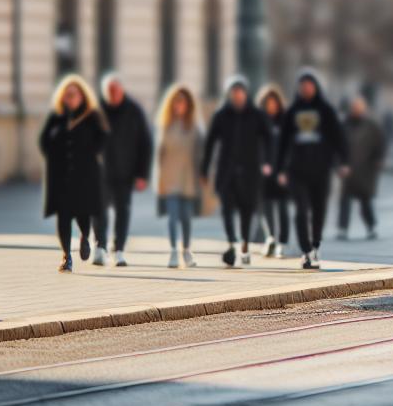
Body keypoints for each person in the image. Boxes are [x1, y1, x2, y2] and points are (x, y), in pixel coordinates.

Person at [277, 69, 349, 269]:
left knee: (319, 210)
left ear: (315, 87)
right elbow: (282, 143)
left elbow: (338, 137)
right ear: (299, 89)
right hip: (297, 170)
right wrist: (280, 169)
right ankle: (306, 250)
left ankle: (316, 245)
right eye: (303, 87)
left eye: (310, 86)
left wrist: (342, 162)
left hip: (321, 169)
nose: (306, 90)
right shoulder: (292, 112)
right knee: (300, 211)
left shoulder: (326, 110)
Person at [39, 75, 109, 273]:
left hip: (85, 176)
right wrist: (53, 157)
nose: (69, 98)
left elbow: (102, 139)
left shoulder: (92, 116)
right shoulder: (57, 116)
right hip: (61, 176)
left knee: (82, 214)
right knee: (63, 216)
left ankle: (85, 236)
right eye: (66, 95)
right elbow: (44, 140)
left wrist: (88, 155)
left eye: (73, 94)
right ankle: (66, 256)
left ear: (82, 96)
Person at [203, 76, 274, 268]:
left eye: (240, 93)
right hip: (226, 171)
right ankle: (232, 243)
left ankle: (244, 245)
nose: (237, 97)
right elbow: (210, 143)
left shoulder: (257, 115)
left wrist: (268, 162)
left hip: (251, 171)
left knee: (246, 211)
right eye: (234, 93)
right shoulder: (221, 115)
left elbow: (269, 140)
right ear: (229, 95)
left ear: (246, 94)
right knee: (226, 209)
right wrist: (204, 168)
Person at [95, 72, 153, 268]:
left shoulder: (134, 110)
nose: (113, 95)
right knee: (99, 210)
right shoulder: (97, 110)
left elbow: (145, 143)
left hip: (125, 172)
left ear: (122, 90)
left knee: (123, 211)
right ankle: (100, 247)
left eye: (116, 91)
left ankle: (119, 249)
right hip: (100, 172)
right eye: (109, 92)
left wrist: (142, 174)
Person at [155, 83, 204, 269]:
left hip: (189, 179)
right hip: (170, 178)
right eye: (176, 102)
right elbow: (161, 155)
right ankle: (174, 251)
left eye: (182, 102)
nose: (178, 106)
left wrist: (202, 176)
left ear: (188, 105)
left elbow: (201, 153)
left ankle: (186, 250)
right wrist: (159, 180)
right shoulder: (166, 126)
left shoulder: (194, 128)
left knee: (186, 218)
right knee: (173, 216)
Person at [338, 96, 389, 241]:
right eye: (354, 107)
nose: (356, 110)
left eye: (359, 107)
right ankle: (343, 228)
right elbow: (336, 146)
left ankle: (371, 226)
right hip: (347, 169)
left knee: (365, 200)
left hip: (365, 170)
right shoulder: (344, 125)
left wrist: (378, 160)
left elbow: (381, 144)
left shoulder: (371, 126)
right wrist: (338, 165)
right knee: (345, 200)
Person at [254, 84, 292, 259]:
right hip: (264, 172)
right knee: (264, 207)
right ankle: (271, 238)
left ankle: (282, 242)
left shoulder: (285, 121)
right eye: (268, 103)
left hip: (282, 172)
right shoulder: (258, 121)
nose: (271, 106)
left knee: (283, 208)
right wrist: (261, 164)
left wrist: (285, 170)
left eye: (274, 103)